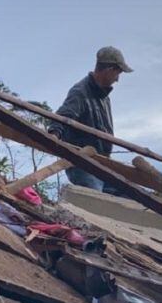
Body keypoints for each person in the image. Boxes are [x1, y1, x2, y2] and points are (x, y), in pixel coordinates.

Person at [49, 46, 132, 193]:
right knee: (95, 200)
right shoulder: (80, 92)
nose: (117, 79)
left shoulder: (104, 98)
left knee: (129, 194)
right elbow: (64, 116)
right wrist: (53, 134)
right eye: (117, 73)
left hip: (102, 162)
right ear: (109, 70)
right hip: (83, 164)